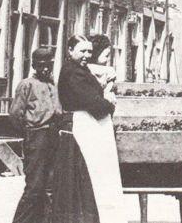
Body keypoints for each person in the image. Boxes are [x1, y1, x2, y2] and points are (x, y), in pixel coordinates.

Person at [55, 34, 127, 223]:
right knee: (86, 179)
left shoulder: (81, 69)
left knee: (89, 181)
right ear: (70, 51)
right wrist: (109, 104)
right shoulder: (73, 73)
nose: (87, 55)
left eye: (89, 51)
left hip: (89, 127)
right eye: (82, 51)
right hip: (83, 129)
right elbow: (92, 103)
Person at [9, 46, 62, 223]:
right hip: (36, 137)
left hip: (54, 136)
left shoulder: (53, 86)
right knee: (34, 187)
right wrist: (30, 133)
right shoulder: (27, 85)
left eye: (48, 65)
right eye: (41, 65)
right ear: (34, 65)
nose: (45, 69)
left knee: (50, 186)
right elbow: (16, 115)